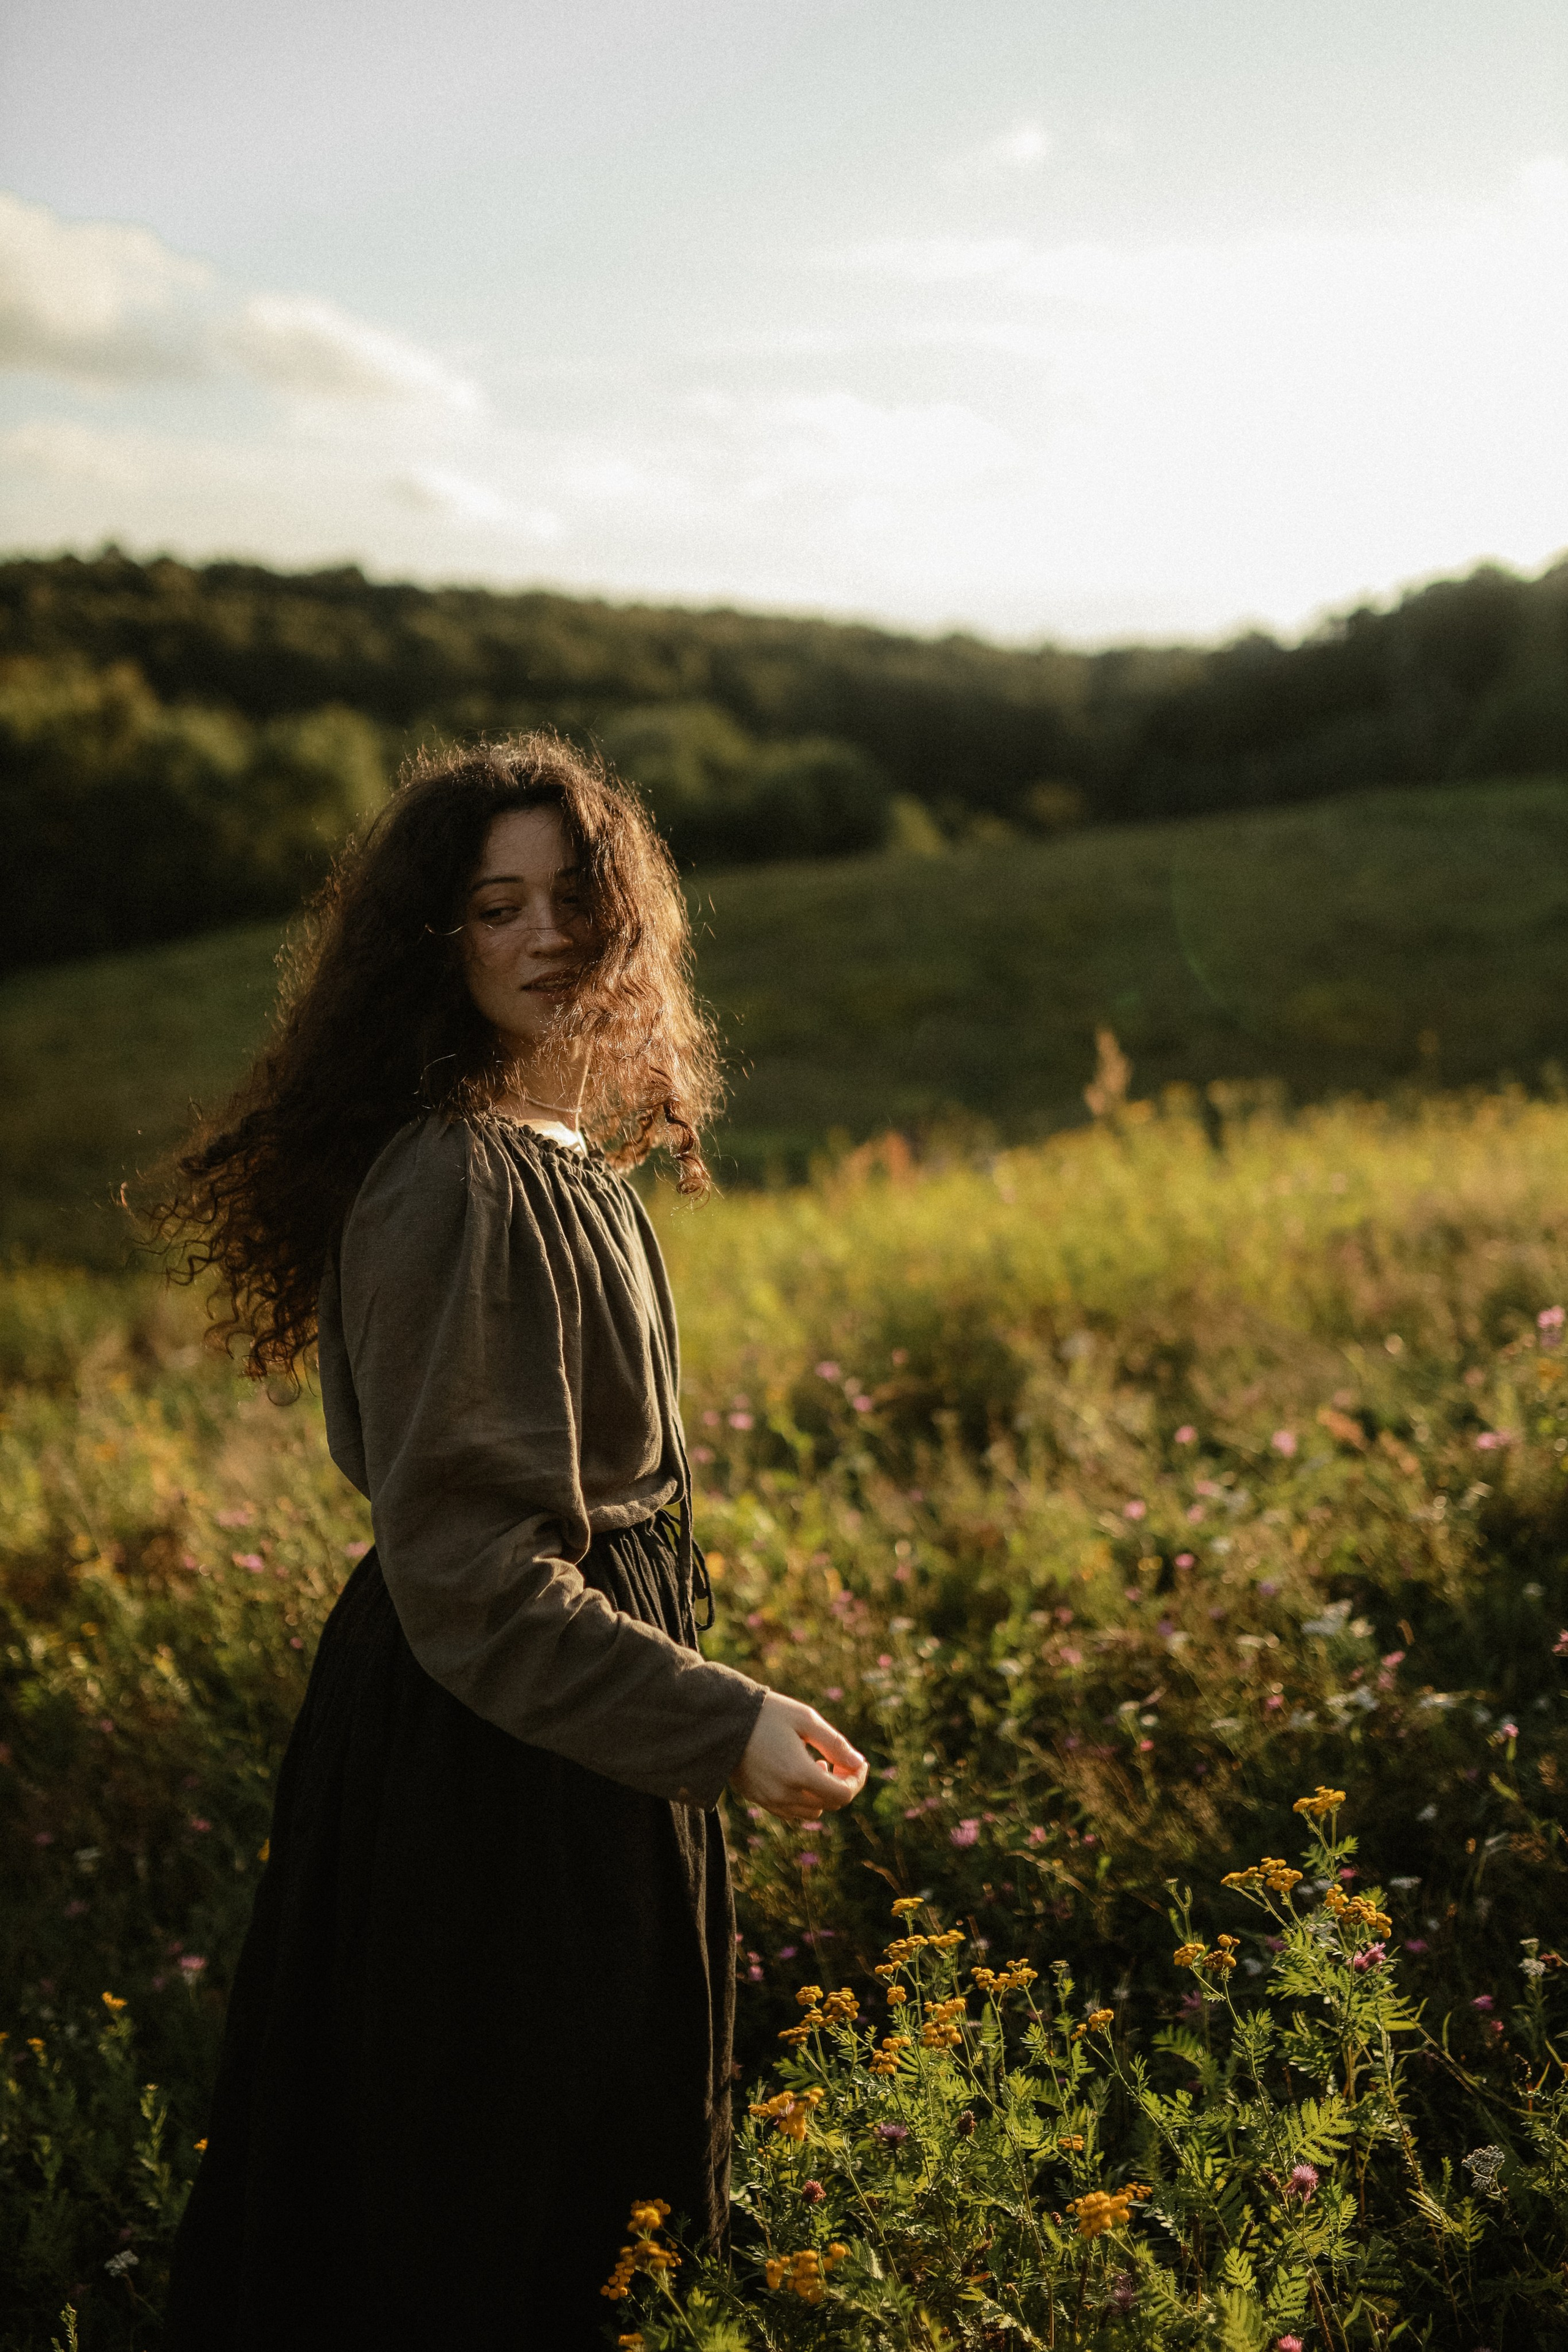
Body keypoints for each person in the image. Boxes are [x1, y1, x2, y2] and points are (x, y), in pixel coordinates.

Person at [158, 734, 867, 2350]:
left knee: (578, 2200)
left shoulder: (557, 1163)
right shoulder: (460, 1183)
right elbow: (475, 1578)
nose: (545, 934)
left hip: (563, 1738)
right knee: (495, 2209)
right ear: (434, 941)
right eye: (495, 906)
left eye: (575, 897)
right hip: (489, 1770)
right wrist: (718, 1718)